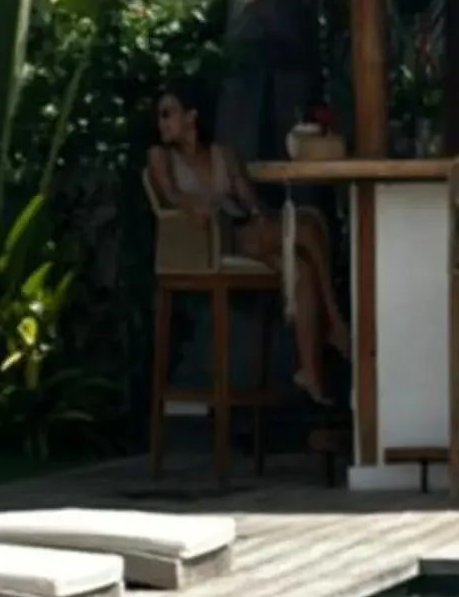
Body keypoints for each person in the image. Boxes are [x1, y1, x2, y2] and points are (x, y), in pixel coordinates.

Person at [148, 79, 349, 405]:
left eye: (168, 114)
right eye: (160, 116)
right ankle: (337, 322)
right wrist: (193, 205)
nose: (162, 123)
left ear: (191, 116)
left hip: (242, 230)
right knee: (309, 229)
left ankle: (309, 370)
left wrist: (258, 213)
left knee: (300, 265)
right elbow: (169, 193)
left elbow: (247, 197)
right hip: (210, 239)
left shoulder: (222, 155)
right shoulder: (160, 156)